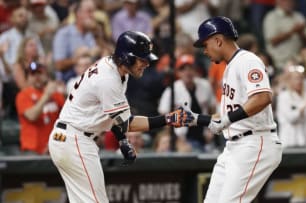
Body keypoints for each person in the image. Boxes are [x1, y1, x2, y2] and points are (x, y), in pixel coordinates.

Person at [48, 31, 191, 202]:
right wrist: (168, 119)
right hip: (75, 139)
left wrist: (122, 140)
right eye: (141, 59)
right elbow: (128, 123)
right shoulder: (108, 79)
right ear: (126, 58)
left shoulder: (116, 69)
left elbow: (113, 116)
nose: (146, 64)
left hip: (70, 138)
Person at [184, 16, 283, 203]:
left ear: (218, 40)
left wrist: (227, 120)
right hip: (234, 146)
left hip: (254, 142)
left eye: (205, 45)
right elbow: (225, 116)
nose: (204, 51)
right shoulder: (231, 67)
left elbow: (263, 97)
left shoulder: (247, 60)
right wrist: (198, 118)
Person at [16, 62, 65, 154]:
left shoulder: (57, 95)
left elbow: (66, 120)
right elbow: (32, 116)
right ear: (28, 78)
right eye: (33, 74)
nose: (37, 77)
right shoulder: (23, 95)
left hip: (54, 147)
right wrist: (46, 95)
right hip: (32, 149)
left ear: (46, 75)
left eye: (39, 73)